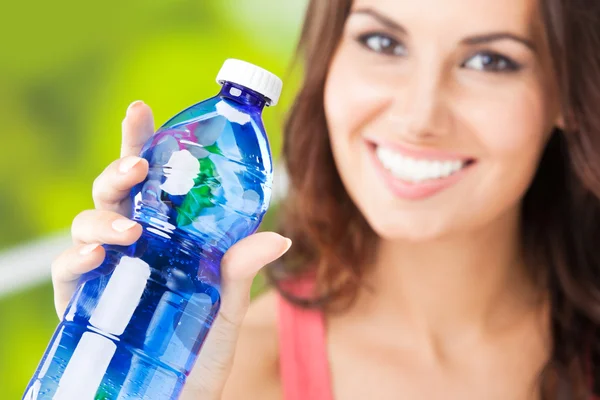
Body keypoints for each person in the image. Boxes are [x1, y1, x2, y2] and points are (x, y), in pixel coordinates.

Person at [50, 0, 600, 398]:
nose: (419, 115)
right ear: (328, 62)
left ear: (569, 92)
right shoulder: (223, 369)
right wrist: (119, 366)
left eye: (489, 61)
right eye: (383, 43)